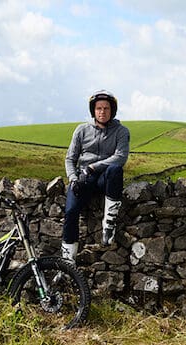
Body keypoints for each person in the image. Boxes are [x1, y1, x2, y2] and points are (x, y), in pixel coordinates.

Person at [61, 90, 130, 263]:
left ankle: (109, 225)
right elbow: (70, 158)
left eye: (106, 108)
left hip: (103, 177)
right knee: (70, 212)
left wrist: (92, 167)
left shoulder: (121, 131)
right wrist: (73, 178)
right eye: (99, 108)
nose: (102, 112)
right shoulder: (82, 130)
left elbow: (120, 157)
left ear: (112, 111)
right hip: (83, 179)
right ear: (93, 110)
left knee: (115, 170)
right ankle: (68, 262)